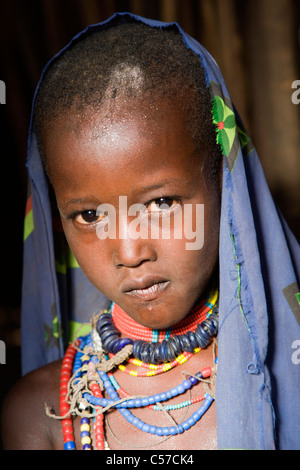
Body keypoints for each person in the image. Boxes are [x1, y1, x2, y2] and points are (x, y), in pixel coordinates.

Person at [1, 12, 299, 451]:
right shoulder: (42, 412)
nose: (129, 251)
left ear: (225, 181)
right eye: (88, 216)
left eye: (160, 203)